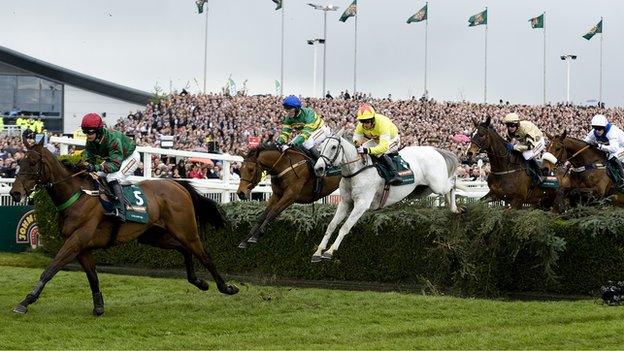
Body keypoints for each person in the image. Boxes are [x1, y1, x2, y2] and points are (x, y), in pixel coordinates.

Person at [81, 113, 140, 221]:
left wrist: (95, 167)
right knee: (97, 175)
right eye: (84, 131)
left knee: (112, 177)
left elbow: (115, 166)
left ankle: (122, 211)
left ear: (98, 131)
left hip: (130, 157)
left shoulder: (112, 139)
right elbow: (88, 156)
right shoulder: (91, 140)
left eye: (90, 132)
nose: (87, 135)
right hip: (116, 159)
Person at [352, 103, 402, 185]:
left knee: (378, 152)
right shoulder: (361, 125)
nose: (365, 124)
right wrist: (357, 144)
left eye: (367, 121)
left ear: (372, 119)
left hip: (392, 140)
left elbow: (383, 147)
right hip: (377, 140)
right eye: (362, 121)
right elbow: (356, 138)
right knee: (362, 149)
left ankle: (396, 175)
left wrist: (367, 150)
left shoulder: (382, 123)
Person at [275, 95, 329, 160]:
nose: (288, 112)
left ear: (297, 108)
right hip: (307, 133)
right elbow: (285, 133)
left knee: (307, 143)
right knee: (291, 147)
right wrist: (279, 142)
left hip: (321, 130)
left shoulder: (308, 113)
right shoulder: (288, 119)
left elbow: (305, 133)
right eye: (287, 110)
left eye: (290, 109)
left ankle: (322, 164)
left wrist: (293, 144)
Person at [502, 112, 545, 185]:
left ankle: (539, 175)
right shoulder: (509, 131)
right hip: (525, 142)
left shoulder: (526, 128)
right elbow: (506, 143)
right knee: (513, 152)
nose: (510, 128)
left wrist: (514, 147)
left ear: (517, 124)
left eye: (512, 126)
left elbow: (529, 146)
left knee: (526, 155)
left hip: (537, 142)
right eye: (508, 126)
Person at [583, 114, 624, 189]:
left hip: (621, 148)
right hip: (612, 148)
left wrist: (600, 146)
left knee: (612, 158)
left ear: (605, 127)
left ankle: (622, 179)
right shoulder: (594, 132)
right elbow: (584, 142)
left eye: (600, 128)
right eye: (595, 128)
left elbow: (614, 148)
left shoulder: (611, 132)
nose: (597, 130)